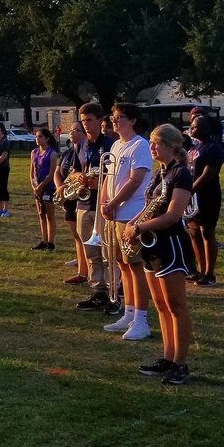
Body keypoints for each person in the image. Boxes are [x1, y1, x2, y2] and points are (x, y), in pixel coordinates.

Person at [123, 124, 197, 385]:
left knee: (176, 305)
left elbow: (173, 215)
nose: (152, 148)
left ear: (172, 146)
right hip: (152, 244)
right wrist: (132, 224)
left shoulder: (181, 174)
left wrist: (139, 227)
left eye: (156, 143)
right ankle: (167, 357)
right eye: (152, 143)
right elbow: (148, 208)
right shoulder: (159, 174)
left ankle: (180, 362)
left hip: (171, 243)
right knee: (161, 305)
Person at [99, 104, 154, 342]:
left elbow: (135, 180)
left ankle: (141, 319)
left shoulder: (140, 145)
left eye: (119, 118)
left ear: (132, 120)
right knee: (122, 265)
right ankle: (128, 312)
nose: (114, 121)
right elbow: (108, 178)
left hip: (131, 213)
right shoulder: (115, 145)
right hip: (115, 214)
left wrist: (114, 203)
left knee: (135, 266)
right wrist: (104, 203)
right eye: (113, 117)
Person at [72, 104, 116, 311]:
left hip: (103, 203)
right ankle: (98, 291)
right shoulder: (80, 145)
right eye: (83, 120)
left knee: (108, 252)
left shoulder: (110, 144)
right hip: (83, 202)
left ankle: (115, 292)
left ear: (100, 120)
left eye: (89, 120)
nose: (86, 124)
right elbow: (73, 171)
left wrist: (99, 180)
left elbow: (116, 175)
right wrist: (79, 177)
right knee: (91, 252)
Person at [185, 112, 224, 286]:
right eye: (192, 126)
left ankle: (209, 273)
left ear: (206, 128)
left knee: (207, 232)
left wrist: (190, 190)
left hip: (207, 195)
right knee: (194, 233)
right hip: (192, 197)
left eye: (195, 126)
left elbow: (208, 174)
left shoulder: (213, 148)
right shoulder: (193, 149)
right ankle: (200, 270)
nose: (191, 128)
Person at [55, 121, 89, 283]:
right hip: (68, 198)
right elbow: (58, 172)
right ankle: (82, 271)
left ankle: (89, 270)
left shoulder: (87, 150)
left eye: (76, 130)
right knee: (76, 236)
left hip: (81, 198)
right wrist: (60, 186)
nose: (72, 132)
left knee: (85, 237)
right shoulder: (69, 152)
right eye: (71, 130)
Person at [29, 128, 59, 251]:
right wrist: (34, 186)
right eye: (36, 137)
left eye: (40, 136)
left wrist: (40, 186)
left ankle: (51, 242)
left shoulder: (51, 153)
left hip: (48, 188)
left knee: (50, 216)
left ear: (47, 138)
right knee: (41, 214)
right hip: (38, 189)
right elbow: (31, 172)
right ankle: (44, 240)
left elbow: (51, 174)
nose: (37, 139)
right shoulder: (34, 152)